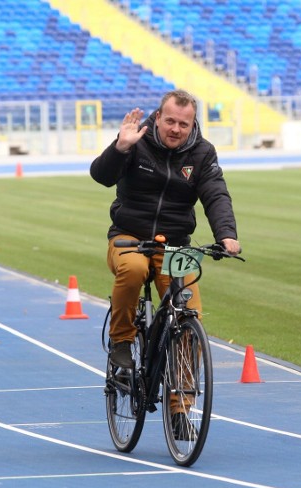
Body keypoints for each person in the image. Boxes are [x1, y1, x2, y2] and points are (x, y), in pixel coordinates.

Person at [90, 89, 241, 374]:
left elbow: (216, 194)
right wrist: (119, 148)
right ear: (158, 117)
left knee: (188, 316)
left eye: (184, 124)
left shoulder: (203, 153)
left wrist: (227, 235)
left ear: (193, 124)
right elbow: (101, 176)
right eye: (170, 121)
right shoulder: (136, 140)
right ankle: (121, 341)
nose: (176, 129)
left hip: (175, 244)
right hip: (129, 236)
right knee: (134, 270)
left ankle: (181, 407)